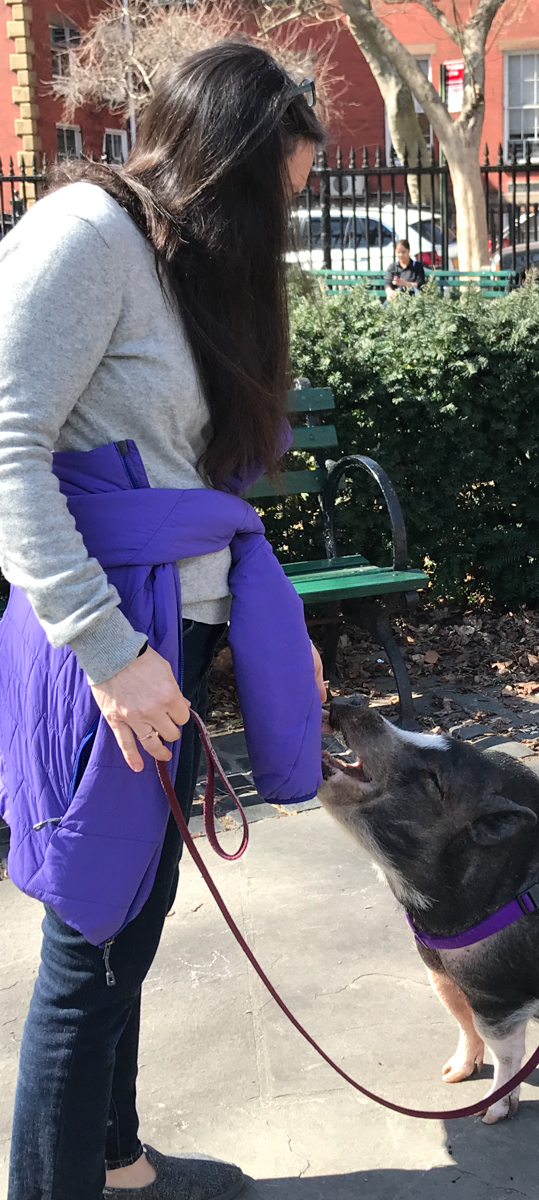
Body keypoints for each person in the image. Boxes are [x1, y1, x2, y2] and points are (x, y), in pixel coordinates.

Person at [0, 40, 329, 1200]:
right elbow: (6, 449)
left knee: (132, 914)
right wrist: (109, 652)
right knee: (91, 942)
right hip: (110, 646)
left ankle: (116, 1160)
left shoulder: (171, 258)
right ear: (224, 167)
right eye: (274, 194)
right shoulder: (85, 236)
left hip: (163, 635)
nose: (280, 228)